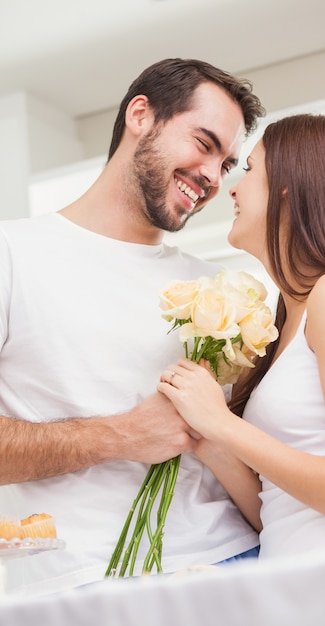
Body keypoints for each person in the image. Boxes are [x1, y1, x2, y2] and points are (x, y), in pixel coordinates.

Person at [0, 58, 266, 595]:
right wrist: (121, 436)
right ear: (140, 115)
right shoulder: (12, 254)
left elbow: (270, 449)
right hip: (87, 582)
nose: (214, 177)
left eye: (228, 163)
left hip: (239, 563)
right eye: (204, 143)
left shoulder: (224, 292)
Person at [158, 113, 325, 560]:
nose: (232, 189)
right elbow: (279, 512)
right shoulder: (286, 316)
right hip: (300, 582)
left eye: (250, 169)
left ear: (290, 188)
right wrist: (212, 442)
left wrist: (223, 424)